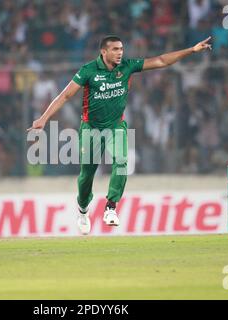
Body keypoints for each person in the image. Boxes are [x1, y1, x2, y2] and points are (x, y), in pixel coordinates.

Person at [28, 35, 212, 235]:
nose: (120, 53)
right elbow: (65, 95)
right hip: (91, 128)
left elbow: (160, 60)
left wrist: (191, 50)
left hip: (116, 126)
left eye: (121, 49)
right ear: (104, 52)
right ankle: (83, 210)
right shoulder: (88, 71)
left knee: (122, 162)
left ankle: (111, 207)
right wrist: (44, 118)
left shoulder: (127, 66)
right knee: (87, 174)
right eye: (115, 49)